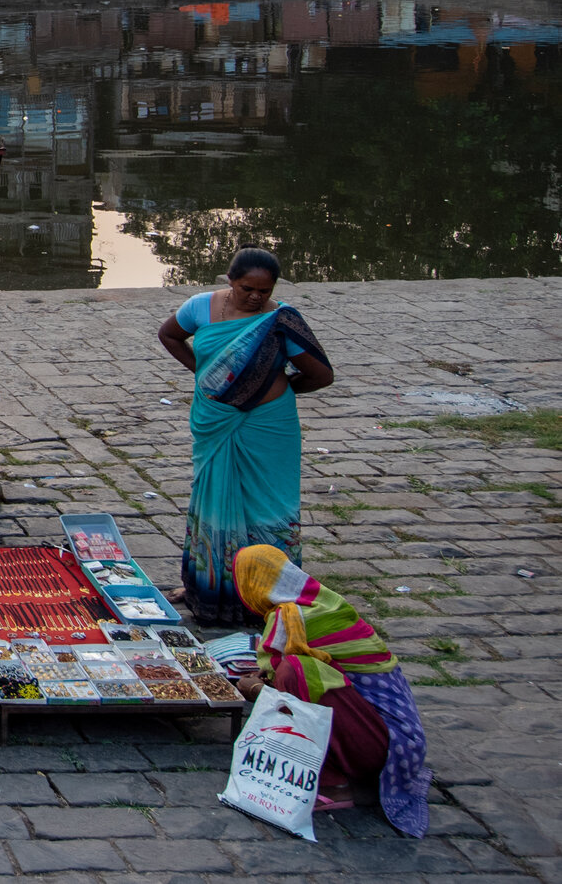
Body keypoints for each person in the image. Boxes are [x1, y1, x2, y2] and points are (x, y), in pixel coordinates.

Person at [155, 248, 334, 625]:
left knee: (267, 503)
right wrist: (203, 374)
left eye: (264, 290)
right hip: (214, 419)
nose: (255, 296)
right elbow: (169, 335)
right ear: (229, 280)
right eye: (246, 288)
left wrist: (268, 389)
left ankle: (268, 589)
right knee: (212, 498)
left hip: (268, 424)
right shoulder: (200, 308)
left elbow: (320, 374)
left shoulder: (280, 320)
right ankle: (209, 584)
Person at [233, 545, 431, 835]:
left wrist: (256, 692)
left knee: (296, 671)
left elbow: (290, 683)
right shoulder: (320, 601)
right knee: (295, 671)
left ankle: (334, 785)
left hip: (384, 746)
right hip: (398, 738)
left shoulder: (292, 618)